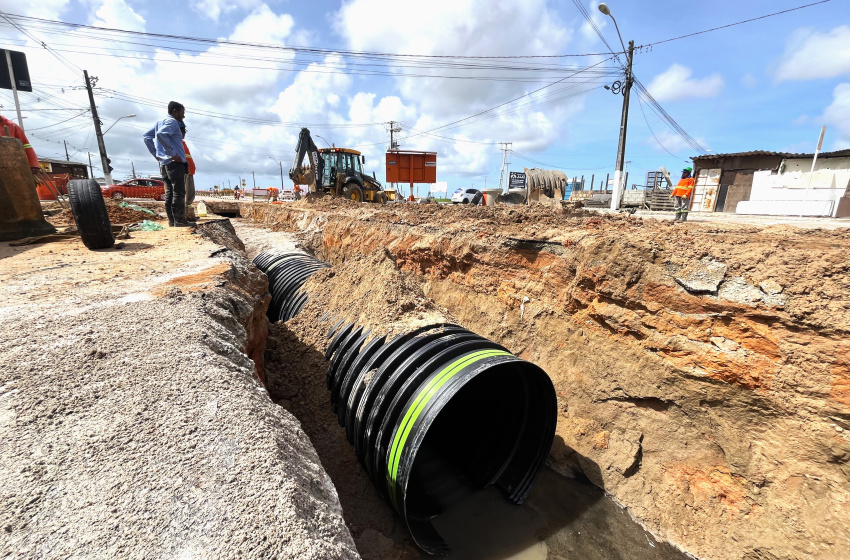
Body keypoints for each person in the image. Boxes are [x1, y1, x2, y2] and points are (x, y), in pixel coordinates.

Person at [143, 101, 190, 227]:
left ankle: (172, 221)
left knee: (170, 192)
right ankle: (179, 221)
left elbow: (147, 137)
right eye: (182, 112)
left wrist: (157, 155)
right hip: (174, 163)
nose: (183, 116)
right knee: (178, 192)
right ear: (175, 111)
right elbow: (161, 134)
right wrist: (173, 154)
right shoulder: (172, 122)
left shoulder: (159, 122)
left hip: (164, 164)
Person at [180, 123, 196, 208]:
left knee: (190, 194)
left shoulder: (183, 142)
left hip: (189, 172)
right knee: (182, 195)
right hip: (183, 172)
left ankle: (187, 211)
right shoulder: (176, 142)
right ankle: (183, 214)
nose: (184, 134)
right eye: (182, 132)